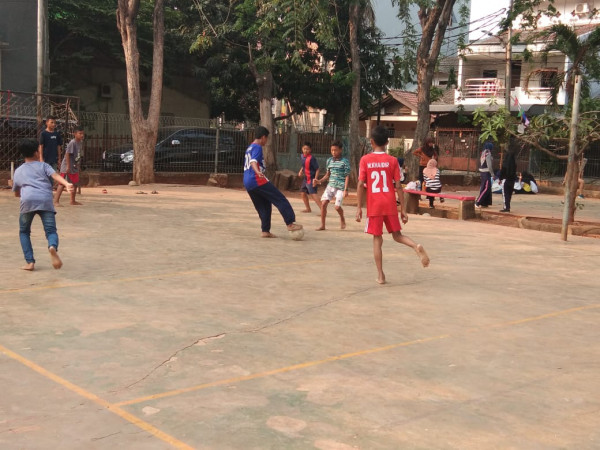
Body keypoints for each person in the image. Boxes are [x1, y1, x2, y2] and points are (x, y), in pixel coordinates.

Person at [355, 126, 430, 285]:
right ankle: (415, 246)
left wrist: (358, 208)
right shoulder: (393, 161)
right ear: (387, 142)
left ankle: (381, 275)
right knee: (397, 235)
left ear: (371, 142)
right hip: (389, 203)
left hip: (375, 206)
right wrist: (403, 209)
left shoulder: (365, 160)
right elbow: (398, 187)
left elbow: (361, 184)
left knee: (377, 239)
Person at [12, 138, 74, 271]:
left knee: (24, 231)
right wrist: (66, 184)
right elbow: (55, 176)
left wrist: (22, 194)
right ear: (36, 152)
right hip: (45, 200)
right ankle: (52, 246)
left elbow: (16, 193)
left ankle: (30, 262)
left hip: (27, 201)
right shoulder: (43, 165)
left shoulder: (18, 171)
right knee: (50, 231)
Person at [243, 126, 303, 238]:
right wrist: (258, 172)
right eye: (267, 138)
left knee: (263, 205)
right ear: (263, 137)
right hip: (256, 179)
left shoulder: (249, 147)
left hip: (248, 182)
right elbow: (253, 162)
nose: (266, 141)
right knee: (280, 198)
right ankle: (290, 223)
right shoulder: (257, 147)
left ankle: (265, 230)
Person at [315, 141, 351, 230]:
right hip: (330, 186)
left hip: (341, 187)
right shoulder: (329, 161)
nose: (334, 152)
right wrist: (319, 181)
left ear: (341, 150)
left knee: (337, 207)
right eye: (332, 150)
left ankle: (342, 218)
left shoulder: (345, 162)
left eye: (336, 150)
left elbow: (347, 176)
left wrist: (345, 189)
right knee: (323, 204)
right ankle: (322, 225)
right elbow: (327, 174)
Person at [55, 126, 84, 206]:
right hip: (67, 166)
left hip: (74, 166)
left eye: (82, 133)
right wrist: (68, 166)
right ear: (75, 134)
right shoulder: (72, 143)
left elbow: (77, 155)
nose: (82, 135)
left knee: (74, 183)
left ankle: (72, 200)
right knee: (61, 183)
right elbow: (67, 154)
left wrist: (78, 165)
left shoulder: (80, 143)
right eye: (80, 133)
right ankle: (56, 201)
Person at [297, 141, 322, 213]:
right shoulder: (302, 156)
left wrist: (315, 179)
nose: (305, 150)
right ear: (302, 149)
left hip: (311, 179)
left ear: (310, 150)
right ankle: (308, 208)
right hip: (306, 178)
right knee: (302, 192)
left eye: (307, 149)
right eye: (304, 149)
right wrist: (301, 171)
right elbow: (303, 165)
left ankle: (323, 210)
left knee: (313, 194)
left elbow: (317, 169)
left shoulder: (312, 158)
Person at [475, 142, 495, 208]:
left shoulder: (483, 152)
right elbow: (489, 165)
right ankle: (478, 202)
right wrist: (493, 174)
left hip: (482, 172)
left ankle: (484, 202)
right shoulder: (488, 153)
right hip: (486, 172)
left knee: (484, 187)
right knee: (486, 188)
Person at [499, 148, 517, 212]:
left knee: (505, 194)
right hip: (512, 181)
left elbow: (502, 172)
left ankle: (506, 207)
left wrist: (500, 179)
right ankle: (508, 206)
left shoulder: (505, 164)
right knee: (509, 194)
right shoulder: (514, 164)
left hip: (506, 180)